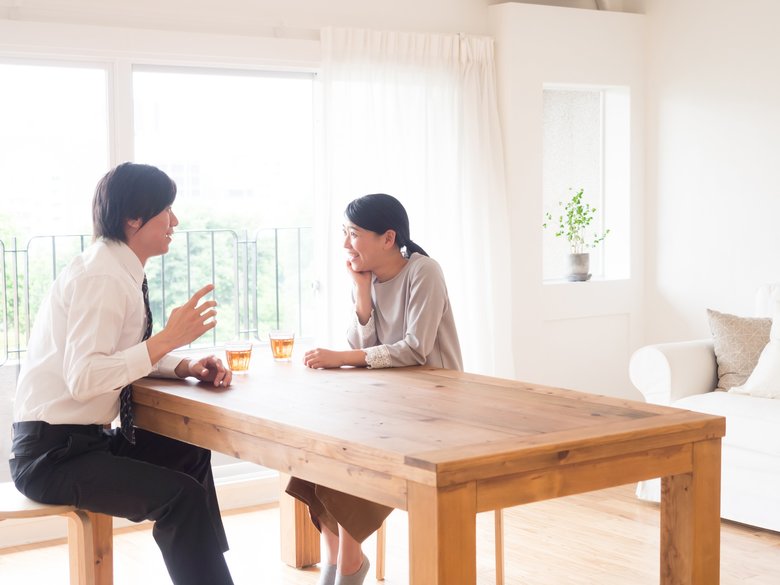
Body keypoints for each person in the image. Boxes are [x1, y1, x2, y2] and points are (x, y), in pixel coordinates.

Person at [9, 162, 235, 585]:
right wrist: (166, 339)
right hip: (51, 456)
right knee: (181, 496)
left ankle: (207, 571)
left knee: (190, 452)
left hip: (83, 441)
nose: (176, 221)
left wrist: (183, 365)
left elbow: (120, 356)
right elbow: (85, 377)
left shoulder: (117, 268)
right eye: (166, 209)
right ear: (133, 218)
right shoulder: (103, 276)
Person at [288, 193, 463, 585]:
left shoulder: (424, 272)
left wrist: (340, 358)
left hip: (435, 406)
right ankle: (335, 556)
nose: (347, 244)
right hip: (389, 404)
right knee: (318, 448)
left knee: (362, 452)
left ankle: (349, 562)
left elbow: (415, 349)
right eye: (345, 234)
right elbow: (363, 347)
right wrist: (362, 293)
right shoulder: (369, 280)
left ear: (387, 238)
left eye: (354, 234)